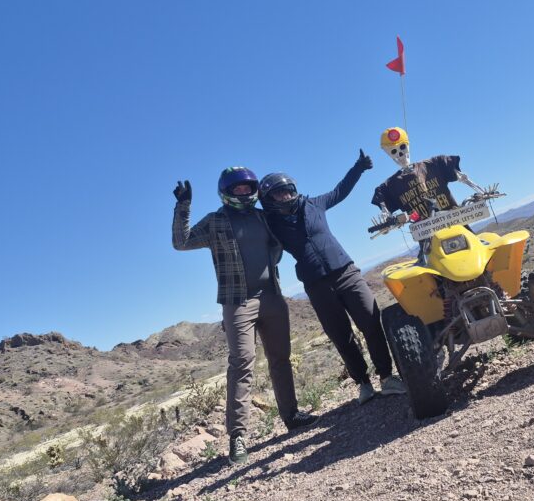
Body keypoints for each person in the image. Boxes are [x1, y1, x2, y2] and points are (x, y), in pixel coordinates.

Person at [172, 167, 318, 465]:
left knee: (281, 358)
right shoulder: (215, 221)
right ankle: (237, 437)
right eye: (236, 189)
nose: (243, 192)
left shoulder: (262, 216)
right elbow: (181, 241)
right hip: (237, 302)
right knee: (241, 365)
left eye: (247, 188)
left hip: (273, 297)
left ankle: (291, 415)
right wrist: (183, 206)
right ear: (226, 192)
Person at [259, 151, 407, 405]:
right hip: (316, 285)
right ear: (268, 200)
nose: (285, 196)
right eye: (278, 193)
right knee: (341, 335)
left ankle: (387, 377)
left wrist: (358, 168)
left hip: (346, 272)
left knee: (371, 321)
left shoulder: (314, 204)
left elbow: (341, 190)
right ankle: (363, 383)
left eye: (288, 190)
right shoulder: (269, 223)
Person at [371, 126, 491, 223]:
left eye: (402, 147)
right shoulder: (390, 186)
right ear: (389, 154)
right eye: (393, 151)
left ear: (408, 145)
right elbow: (385, 210)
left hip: (455, 221)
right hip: (428, 236)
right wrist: (386, 221)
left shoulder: (434, 164)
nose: (400, 154)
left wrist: (481, 192)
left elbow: (462, 177)